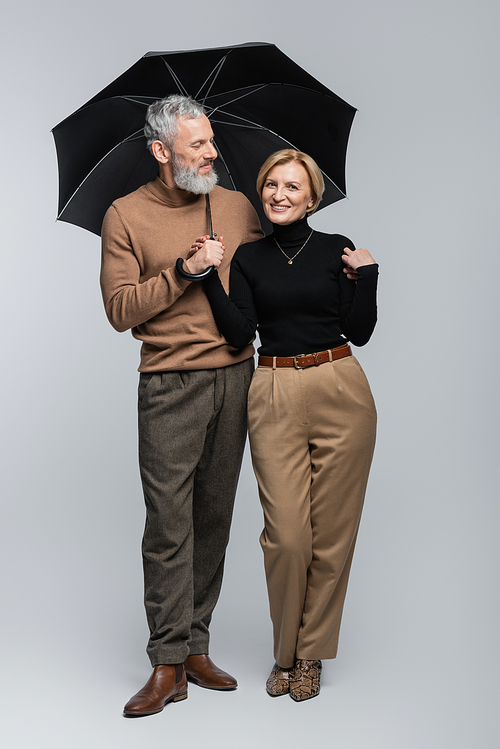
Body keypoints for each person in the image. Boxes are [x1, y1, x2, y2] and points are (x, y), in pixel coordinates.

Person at [193, 149, 378, 702]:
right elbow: (237, 335)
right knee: (288, 537)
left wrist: (368, 276)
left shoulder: (335, 249)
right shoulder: (248, 257)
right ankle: (284, 651)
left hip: (340, 386)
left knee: (332, 537)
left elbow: (360, 330)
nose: (279, 194)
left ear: (312, 197)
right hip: (271, 390)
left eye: (292, 186)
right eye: (271, 184)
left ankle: (309, 657)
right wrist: (207, 277)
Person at [100, 94, 263, 717]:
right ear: (162, 151)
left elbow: (271, 269)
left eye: (212, 140)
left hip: (237, 378)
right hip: (170, 384)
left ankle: (196, 645)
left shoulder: (235, 206)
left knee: (215, 515)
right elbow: (119, 311)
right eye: (199, 145)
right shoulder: (125, 215)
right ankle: (166, 664)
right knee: (169, 526)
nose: (213, 152)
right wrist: (183, 269)